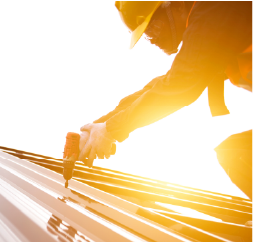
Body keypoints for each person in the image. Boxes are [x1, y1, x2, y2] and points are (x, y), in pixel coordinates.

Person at [78, 1, 253, 200]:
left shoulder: (215, 9)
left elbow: (180, 83)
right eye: (147, 34)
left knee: (239, 156)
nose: (152, 40)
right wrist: (100, 126)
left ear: (177, 5)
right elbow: (166, 83)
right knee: (235, 154)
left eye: (154, 27)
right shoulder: (214, 21)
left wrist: (110, 130)